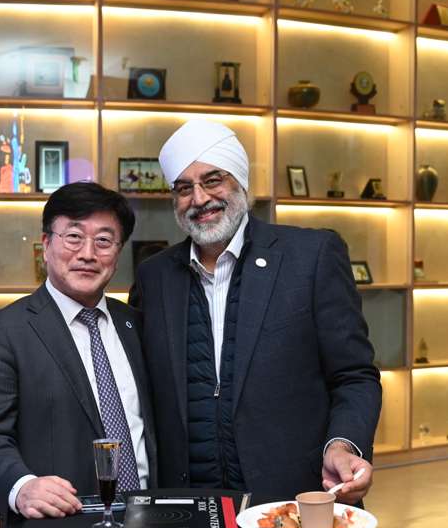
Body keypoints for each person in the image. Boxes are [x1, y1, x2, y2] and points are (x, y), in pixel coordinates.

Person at [131, 118, 381, 504]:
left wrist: (343, 444)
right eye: (183, 188)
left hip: (293, 500)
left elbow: (354, 375)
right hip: (190, 506)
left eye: (212, 180)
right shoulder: (154, 277)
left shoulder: (310, 257)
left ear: (240, 183)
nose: (199, 199)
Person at [0, 182, 158, 528]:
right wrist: (21, 486)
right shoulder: (4, 331)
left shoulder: (137, 325)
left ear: (118, 252)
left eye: (103, 241)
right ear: (46, 244)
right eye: (73, 236)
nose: (87, 253)